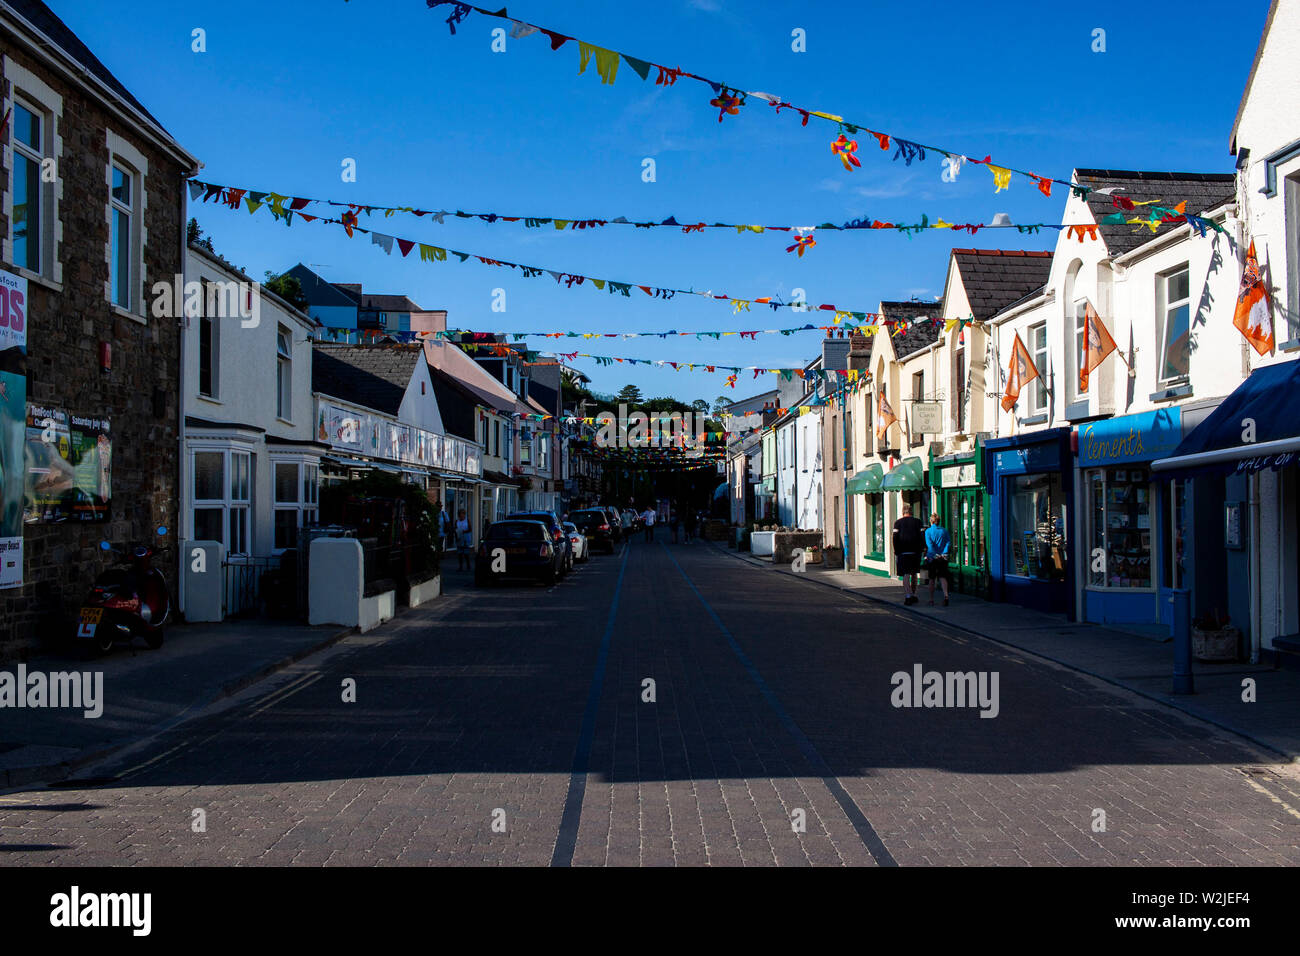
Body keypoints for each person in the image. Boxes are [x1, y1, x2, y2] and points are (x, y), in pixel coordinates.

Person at [892, 503, 925, 605]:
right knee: (914, 573)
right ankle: (914, 594)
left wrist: (896, 551)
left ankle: (908, 596)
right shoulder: (918, 522)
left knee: (906, 574)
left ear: (903, 512)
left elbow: (895, 537)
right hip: (915, 553)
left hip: (903, 553)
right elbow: (922, 536)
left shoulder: (898, 523)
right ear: (911, 512)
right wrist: (922, 549)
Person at [924, 512, 952, 607]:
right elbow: (948, 542)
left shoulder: (928, 532)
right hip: (943, 558)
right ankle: (946, 596)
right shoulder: (944, 531)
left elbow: (930, 545)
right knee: (943, 577)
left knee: (932, 578)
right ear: (938, 521)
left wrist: (936, 555)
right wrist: (943, 553)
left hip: (932, 558)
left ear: (931, 521)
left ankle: (931, 599)